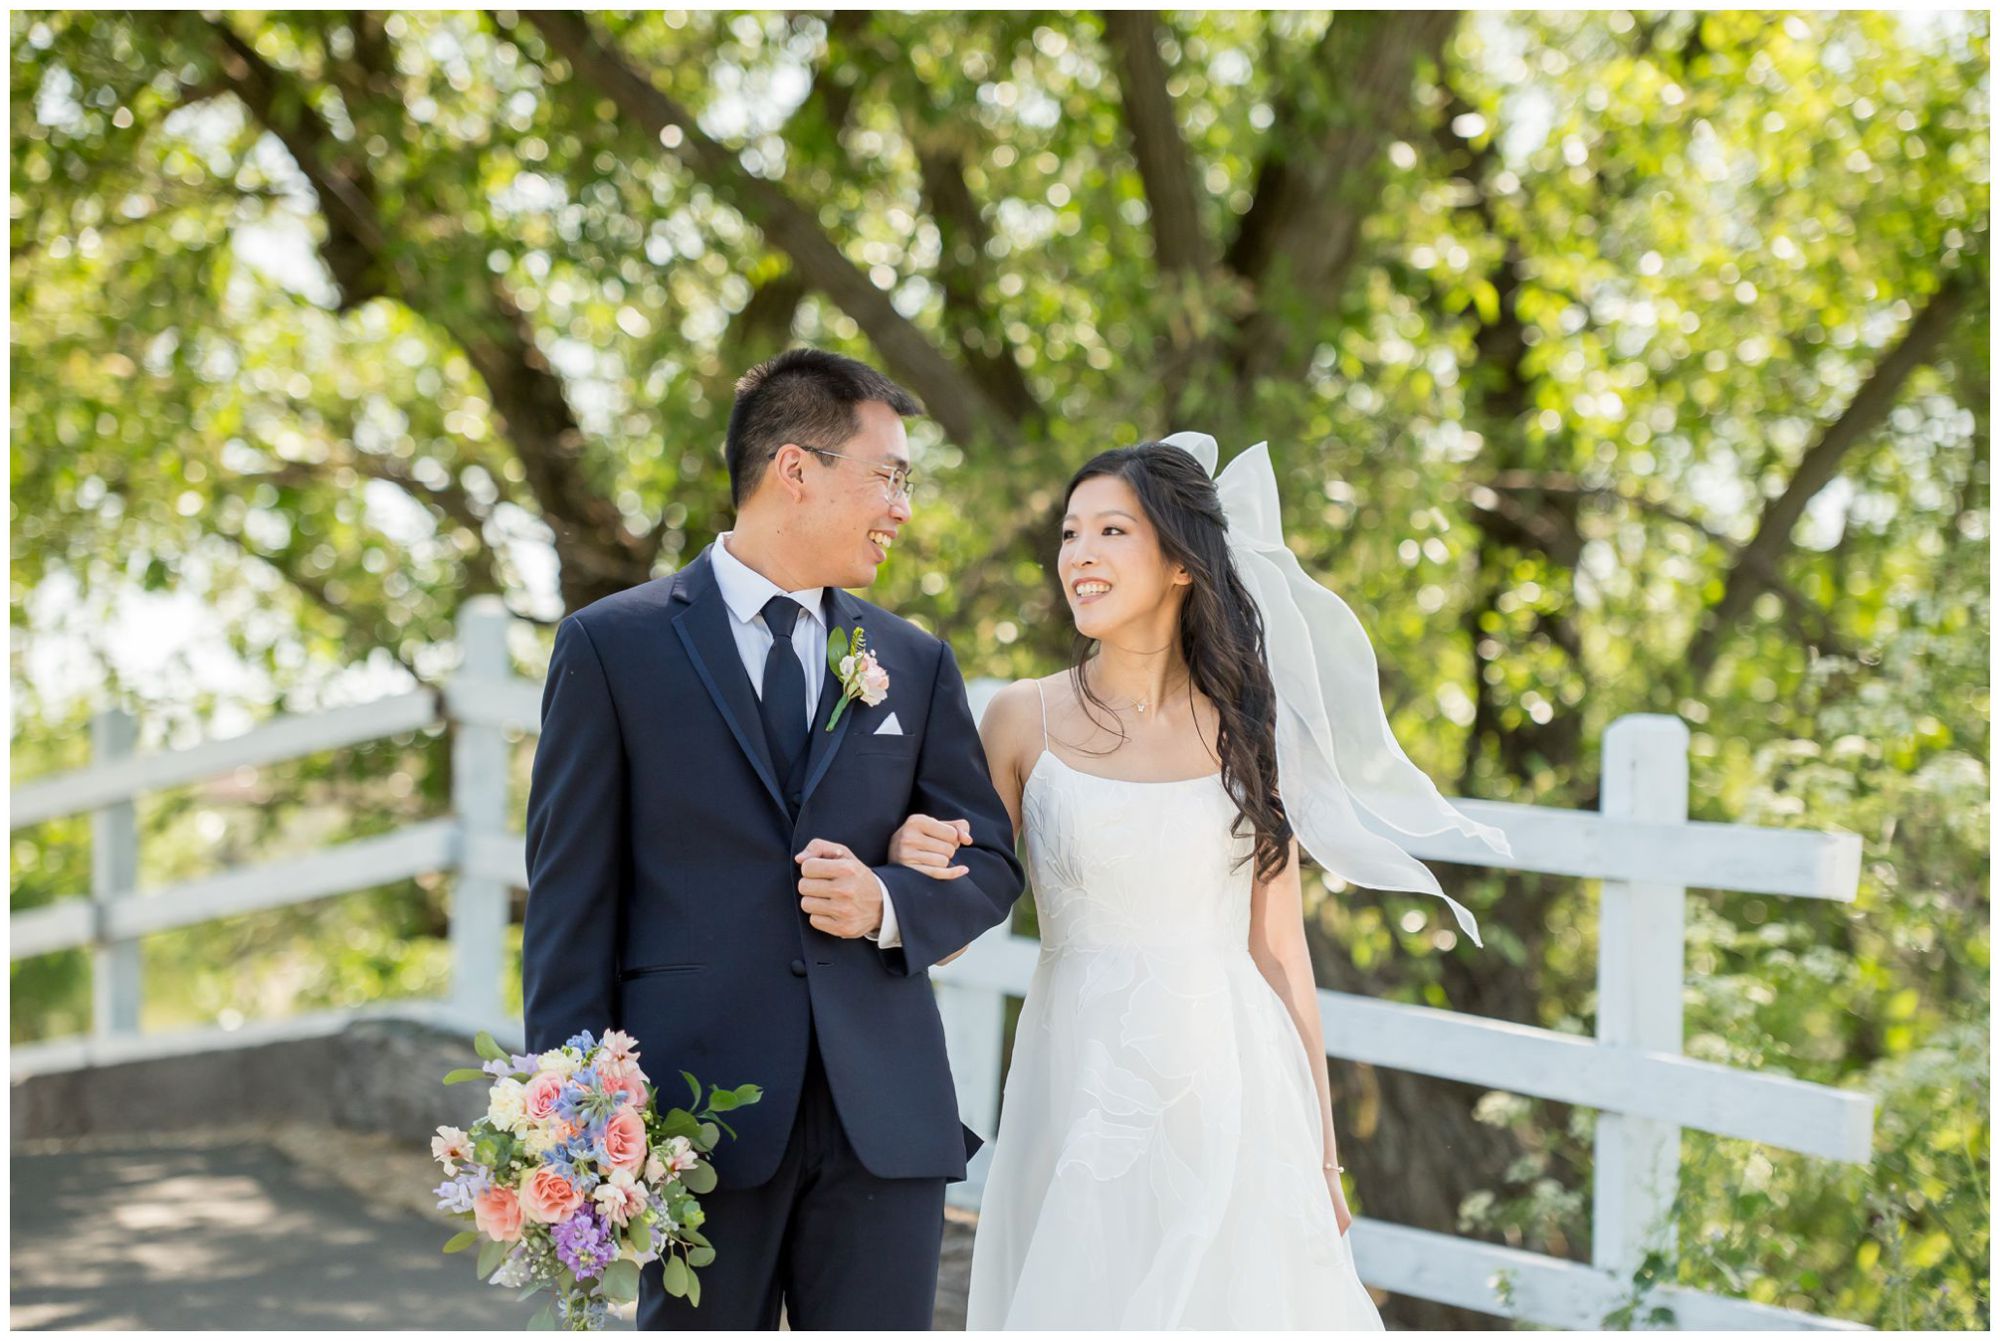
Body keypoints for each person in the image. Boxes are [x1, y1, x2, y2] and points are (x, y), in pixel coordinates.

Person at [886, 433, 1513, 1328]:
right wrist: (914, 861)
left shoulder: (1250, 735)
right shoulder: (1020, 716)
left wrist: (1323, 1158)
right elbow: (967, 896)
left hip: (1230, 1082)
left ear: (1181, 561)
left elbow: (1281, 955)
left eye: (1111, 531)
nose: (1080, 556)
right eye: (1070, 534)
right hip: (1078, 1084)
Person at [521, 347, 1025, 1330]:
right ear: (796, 469)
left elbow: (988, 864)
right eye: (888, 476)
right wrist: (575, 1131)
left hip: (884, 1121)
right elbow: (569, 909)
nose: (901, 508)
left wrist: (886, 903)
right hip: (689, 1122)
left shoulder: (911, 663)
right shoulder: (610, 648)